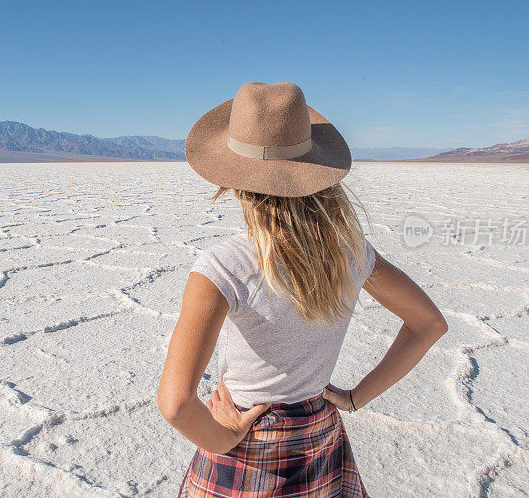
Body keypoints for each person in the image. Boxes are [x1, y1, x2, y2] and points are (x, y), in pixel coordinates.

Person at [157, 81, 448, 496]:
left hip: (247, 441)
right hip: (320, 436)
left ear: (234, 181)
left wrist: (224, 438)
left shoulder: (224, 267)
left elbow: (176, 403)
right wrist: (353, 398)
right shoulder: (351, 253)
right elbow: (429, 323)